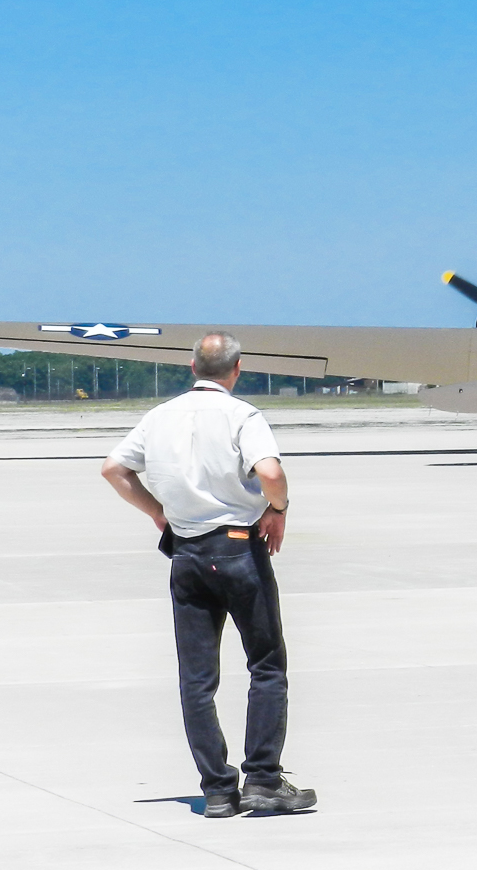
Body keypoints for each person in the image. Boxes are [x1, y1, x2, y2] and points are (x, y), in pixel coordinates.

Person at [100, 332, 317, 818]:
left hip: (187, 555)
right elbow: (271, 473)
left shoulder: (160, 416)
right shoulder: (242, 415)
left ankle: (218, 789)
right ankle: (263, 779)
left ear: (193, 367)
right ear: (237, 369)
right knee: (266, 665)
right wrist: (278, 509)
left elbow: (114, 469)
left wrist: (158, 512)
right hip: (238, 550)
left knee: (197, 679)